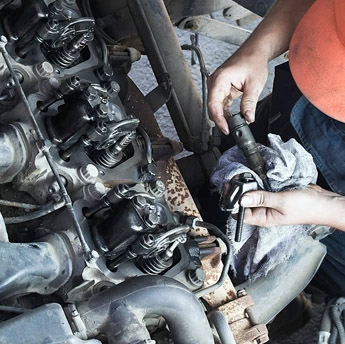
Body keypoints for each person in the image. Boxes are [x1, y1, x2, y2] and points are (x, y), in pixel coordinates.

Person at [207, 0, 345, 296]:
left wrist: (327, 209)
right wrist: (255, 51)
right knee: (216, 182)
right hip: (302, 115)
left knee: (288, 272)